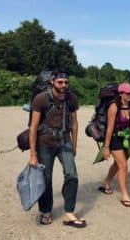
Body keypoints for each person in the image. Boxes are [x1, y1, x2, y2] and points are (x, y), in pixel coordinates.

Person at [29, 69, 86, 228]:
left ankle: (69, 212)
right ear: (53, 82)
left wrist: (74, 145)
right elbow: (33, 127)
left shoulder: (71, 98)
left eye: (66, 82)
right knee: (45, 179)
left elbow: (74, 123)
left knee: (72, 175)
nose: (64, 85)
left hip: (64, 142)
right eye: (60, 82)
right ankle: (46, 211)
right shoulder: (41, 99)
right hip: (44, 144)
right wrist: (33, 154)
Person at [99, 83, 130, 207]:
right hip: (114, 138)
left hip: (126, 137)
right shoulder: (114, 106)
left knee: (118, 164)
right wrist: (106, 147)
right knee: (123, 165)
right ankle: (124, 195)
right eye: (128, 93)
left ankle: (106, 182)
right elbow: (109, 128)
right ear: (121, 94)